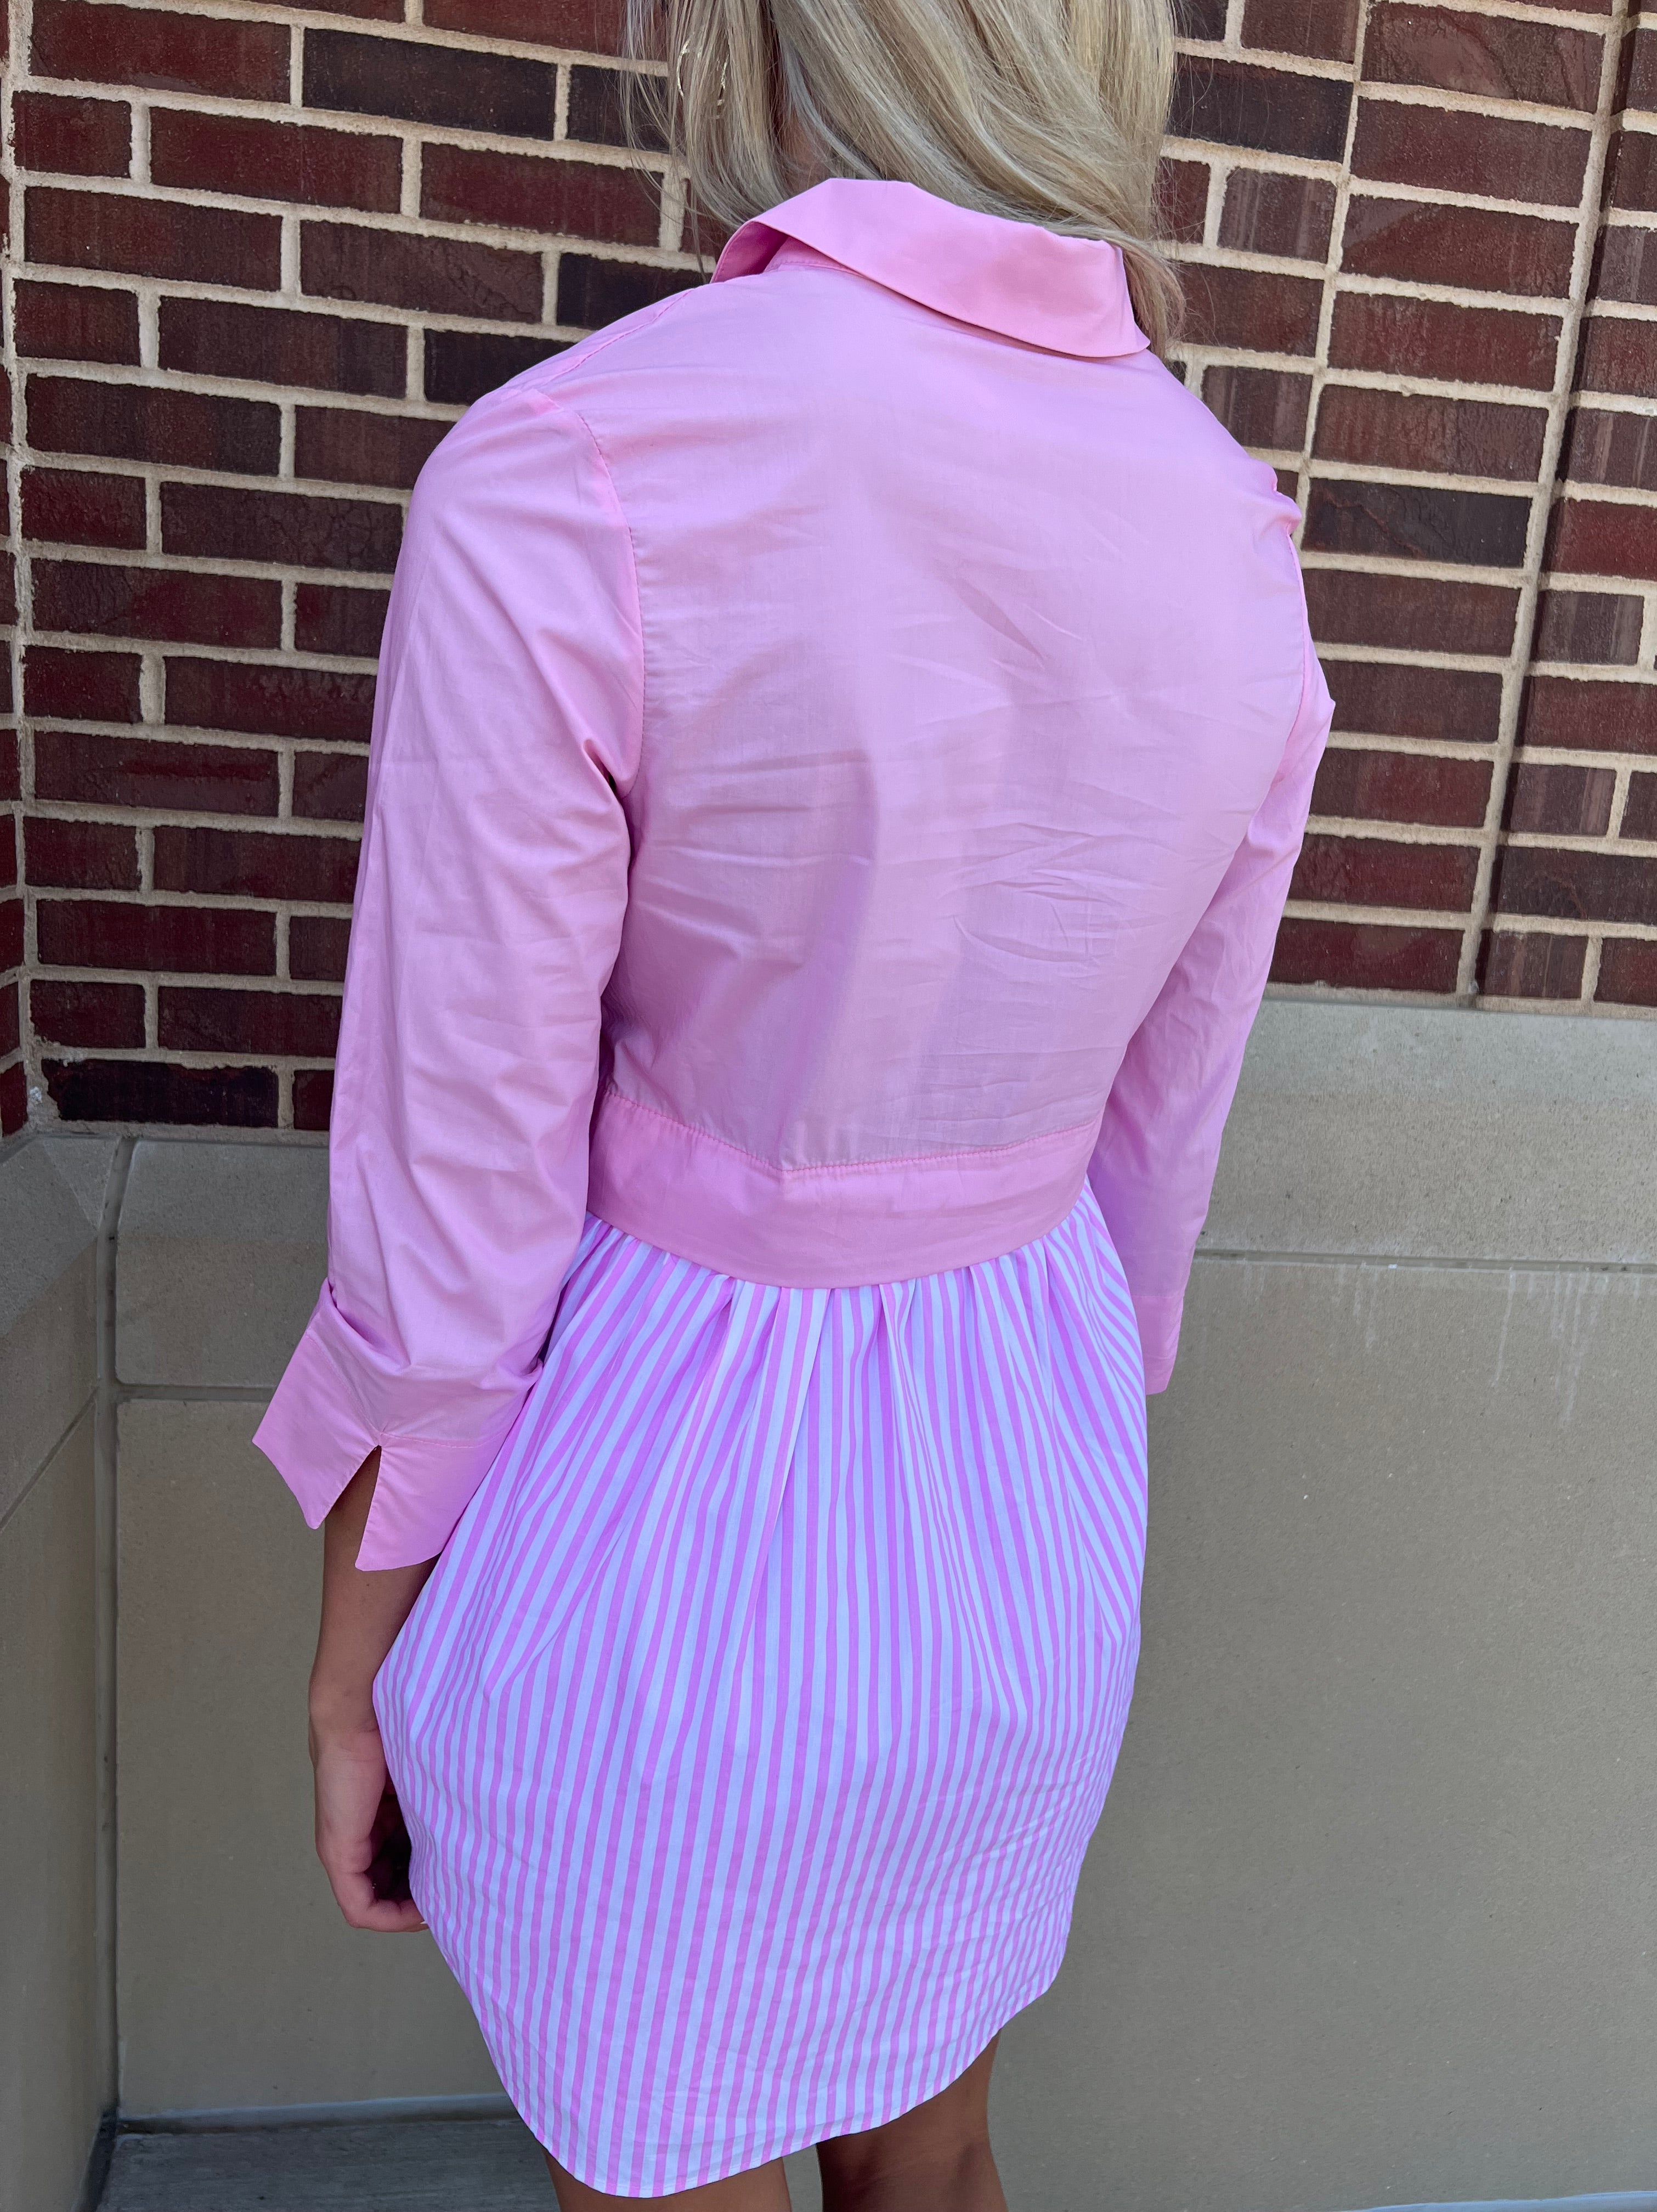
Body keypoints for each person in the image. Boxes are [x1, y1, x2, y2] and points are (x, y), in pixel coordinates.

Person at [254, 0, 1332, 2200]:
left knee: (674, 2162)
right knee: (935, 2157)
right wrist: (1067, 1429)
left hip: (661, 1516)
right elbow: (1166, 1130)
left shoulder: (581, 470)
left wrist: (355, 1665)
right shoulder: (1228, 527)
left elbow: (459, 1209)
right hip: (1023, 1502)